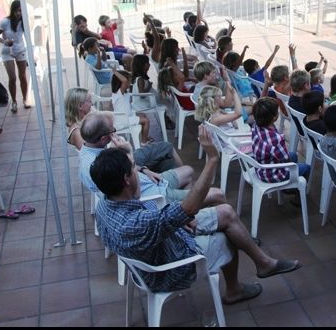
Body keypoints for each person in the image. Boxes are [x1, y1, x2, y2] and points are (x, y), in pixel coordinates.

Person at [91, 124, 301, 301]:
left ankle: (264, 263)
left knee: (226, 212)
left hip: (158, 245)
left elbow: (157, 218)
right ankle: (234, 290)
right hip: (168, 268)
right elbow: (188, 207)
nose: (138, 172)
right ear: (126, 180)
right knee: (226, 235)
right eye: (134, 169)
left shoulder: (106, 203)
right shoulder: (137, 223)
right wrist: (211, 159)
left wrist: (175, 223)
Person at [78, 111, 213, 202]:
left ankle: (182, 212)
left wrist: (144, 170)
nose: (115, 133)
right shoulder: (99, 167)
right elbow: (134, 194)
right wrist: (127, 153)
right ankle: (181, 211)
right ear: (102, 139)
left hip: (147, 181)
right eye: (113, 131)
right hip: (151, 194)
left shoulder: (91, 150)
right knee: (215, 194)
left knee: (187, 170)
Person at [250, 98, 310, 203]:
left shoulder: (256, 126)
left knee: (294, 156)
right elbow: (285, 159)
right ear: (274, 117)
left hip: (260, 168)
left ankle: (291, 185)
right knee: (306, 167)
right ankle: (296, 195)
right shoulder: (276, 138)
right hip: (271, 174)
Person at [0, 0, 31, 113]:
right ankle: (14, 101)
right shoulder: (5, 21)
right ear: (13, 10)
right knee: (12, 77)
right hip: (7, 51)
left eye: (21, 11)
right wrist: (4, 41)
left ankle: (25, 99)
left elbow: (27, 36)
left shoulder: (24, 21)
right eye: (18, 11)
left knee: (23, 76)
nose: (19, 13)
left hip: (20, 49)